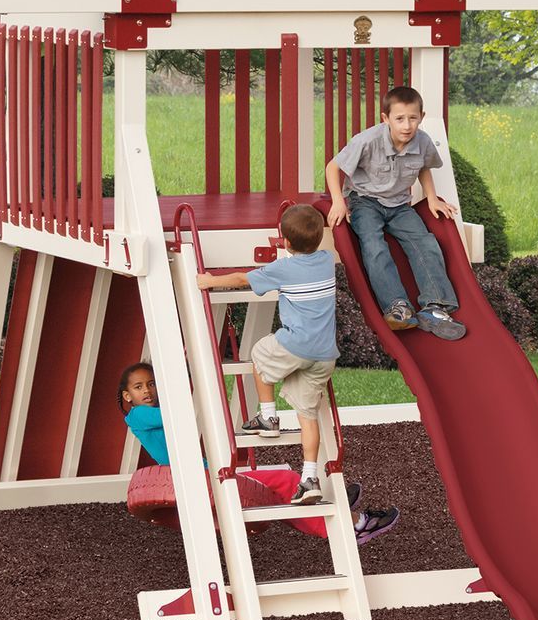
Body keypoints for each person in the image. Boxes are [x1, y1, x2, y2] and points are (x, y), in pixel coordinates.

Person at [118, 362, 399, 545]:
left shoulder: (150, 414)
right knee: (286, 481)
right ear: (127, 396)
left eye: (152, 384)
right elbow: (176, 411)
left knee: (278, 490)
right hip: (202, 480)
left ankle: (334, 517)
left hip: (207, 474)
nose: (148, 391)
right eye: (139, 387)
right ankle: (354, 524)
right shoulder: (139, 415)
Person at [197, 204, 341, 503]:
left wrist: (209, 281)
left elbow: (241, 279)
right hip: (325, 354)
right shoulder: (327, 260)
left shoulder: (284, 268)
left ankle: (268, 417)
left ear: (284, 242)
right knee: (307, 415)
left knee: (260, 353)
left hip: (296, 345)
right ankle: (310, 477)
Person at [323, 84, 467, 340]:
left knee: (425, 242)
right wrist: (338, 201)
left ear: (421, 117)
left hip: (400, 205)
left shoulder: (422, 141)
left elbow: (423, 167)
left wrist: (431, 198)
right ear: (386, 118)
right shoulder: (367, 141)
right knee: (374, 245)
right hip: (364, 201)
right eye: (399, 118)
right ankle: (397, 306)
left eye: (413, 118)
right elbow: (333, 167)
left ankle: (435, 306)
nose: (407, 125)